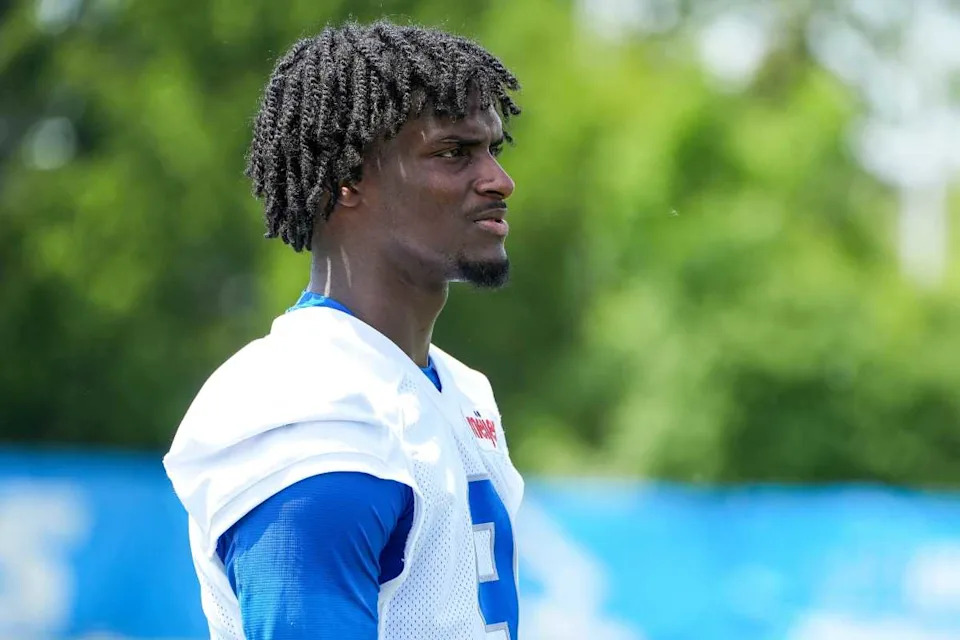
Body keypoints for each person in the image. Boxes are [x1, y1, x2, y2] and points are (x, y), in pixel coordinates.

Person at [163, 19, 525, 640]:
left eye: (493, 149)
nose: (498, 180)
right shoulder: (309, 399)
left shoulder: (459, 389)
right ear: (347, 178)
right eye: (453, 152)